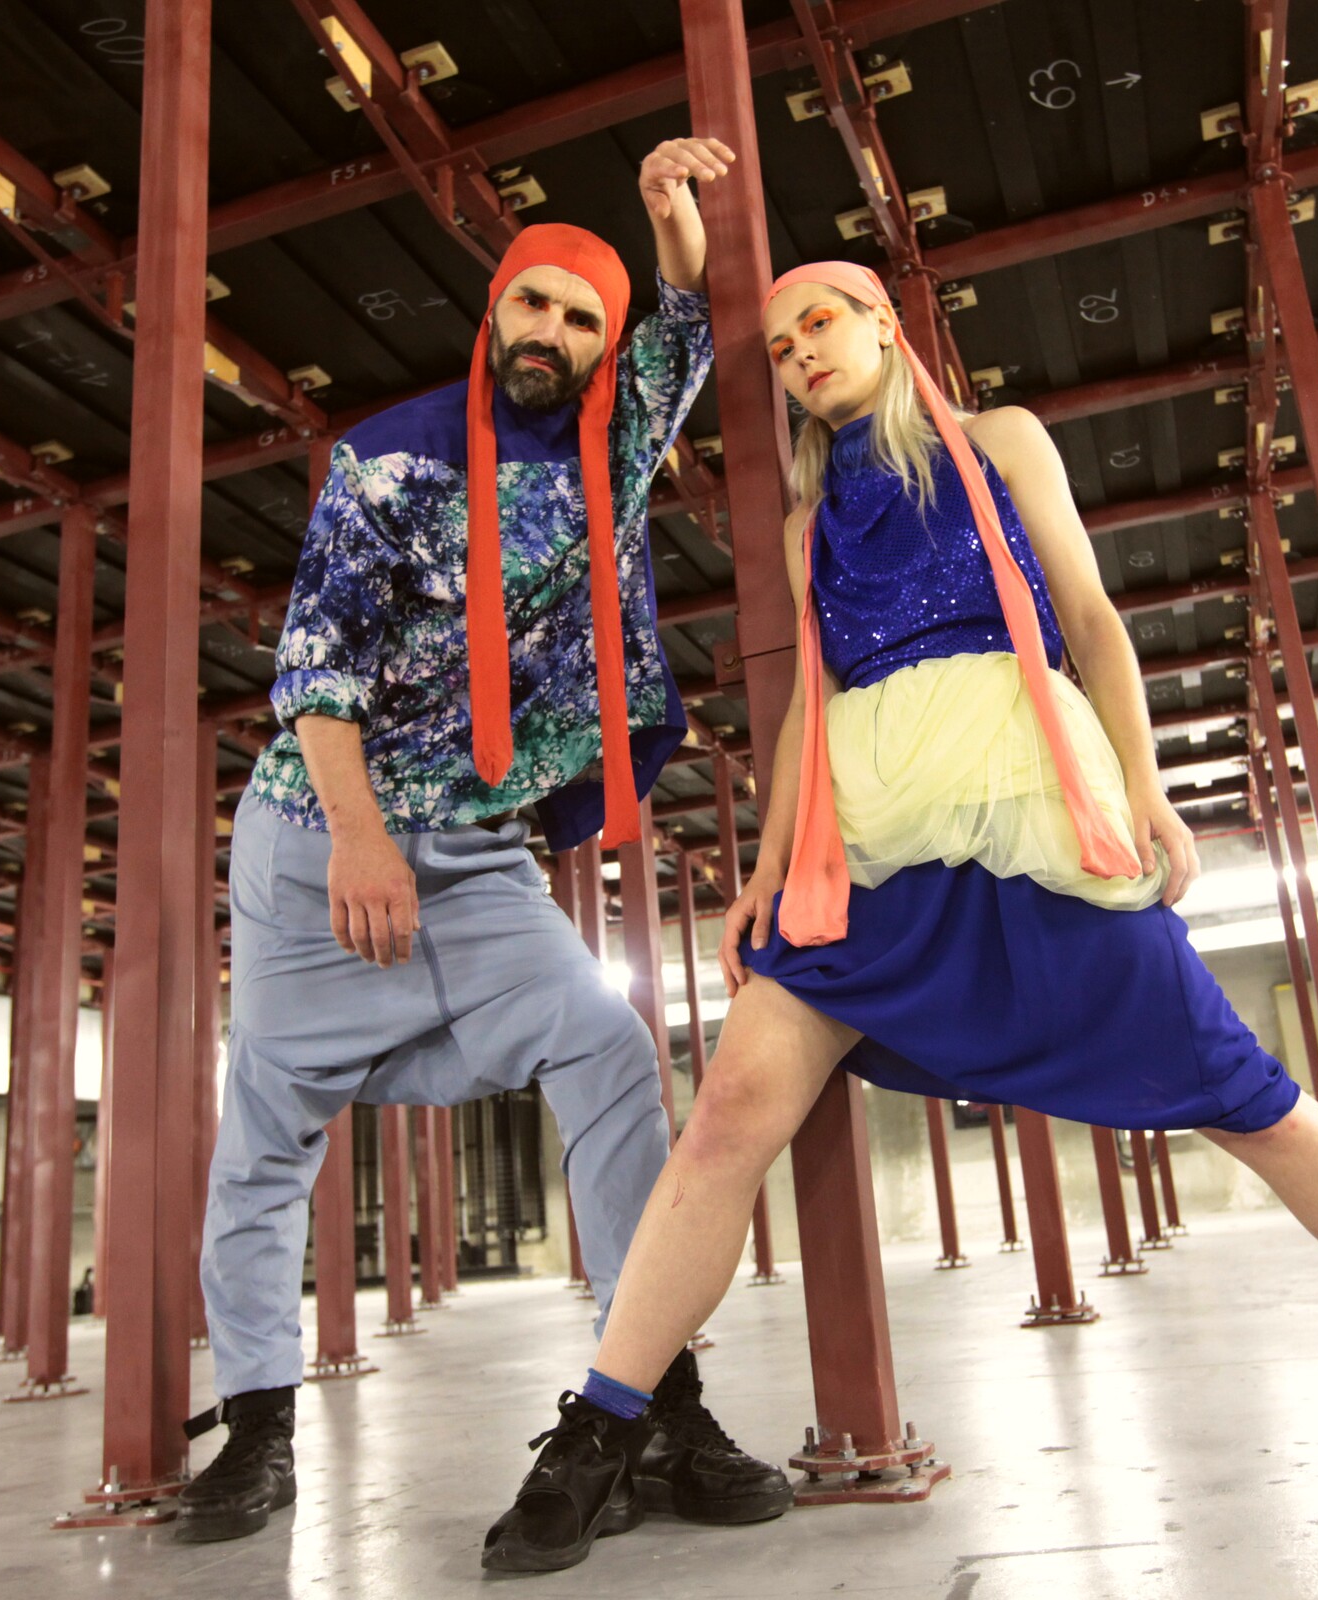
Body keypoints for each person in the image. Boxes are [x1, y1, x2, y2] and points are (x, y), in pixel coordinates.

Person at [480, 260, 1318, 1573]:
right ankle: (601, 1431)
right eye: (776, 347)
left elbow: (1092, 622)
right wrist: (768, 867)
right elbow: (810, 705)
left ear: (883, 324)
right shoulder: (808, 516)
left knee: (1248, 1102)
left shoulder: (998, 441)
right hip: (872, 847)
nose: (800, 355)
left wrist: (1146, 790)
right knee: (724, 1117)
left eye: (819, 323)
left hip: (1034, 818)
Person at [179, 139, 793, 1546]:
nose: (551, 333)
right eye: (533, 304)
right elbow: (317, 672)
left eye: (579, 319)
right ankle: (258, 1428)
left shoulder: (616, 442)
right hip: (319, 835)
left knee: (608, 1045)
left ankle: (650, 1404)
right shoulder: (386, 462)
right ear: (493, 311)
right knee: (268, 1127)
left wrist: (668, 214)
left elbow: (688, 319)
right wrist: (357, 838)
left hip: (473, 849)